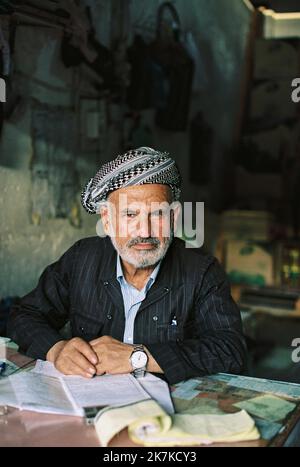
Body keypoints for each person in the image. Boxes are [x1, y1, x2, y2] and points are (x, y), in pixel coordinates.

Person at [8, 147, 247, 384]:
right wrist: (56, 349)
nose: (144, 231)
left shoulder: (201, 270)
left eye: (157, 215)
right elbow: (25, 315)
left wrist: (138, 357)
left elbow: (230, 350)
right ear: (107, 220)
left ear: (174, 217)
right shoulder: (82, 259)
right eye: (130, 215)